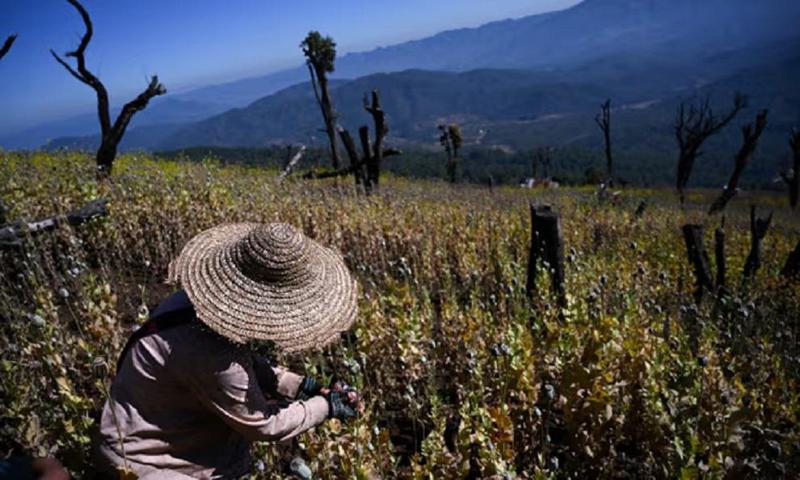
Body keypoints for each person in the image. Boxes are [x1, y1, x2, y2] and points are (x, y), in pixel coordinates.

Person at [93, 223, 362, 478]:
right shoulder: (212, 355)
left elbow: (246, 363)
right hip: (145, 462)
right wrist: (326, 406)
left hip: (174, 434)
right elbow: (264, 425)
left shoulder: (191, 304)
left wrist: (301, 386)